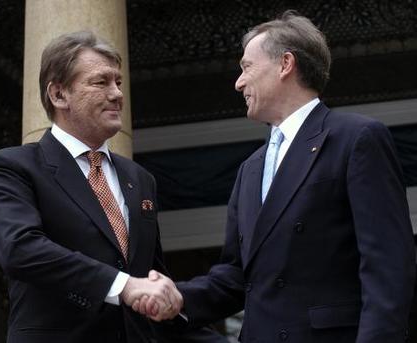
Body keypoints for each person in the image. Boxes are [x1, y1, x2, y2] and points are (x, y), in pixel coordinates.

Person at [134, 10, 416, 343]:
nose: (238, 82)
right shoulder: (250, 169)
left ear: (285, 64)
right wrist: (178, 299)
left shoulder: (355, 139)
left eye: (246, 67)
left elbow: (387, 266)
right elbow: (237, 276)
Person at [0, 31, 223, 343]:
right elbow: (20, 249)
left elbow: (149, 285)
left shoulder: (139, 179)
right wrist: (122, 285)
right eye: (101, 82)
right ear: (58, 95)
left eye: (118, 82)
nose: (117, 94)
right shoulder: (15, 167)